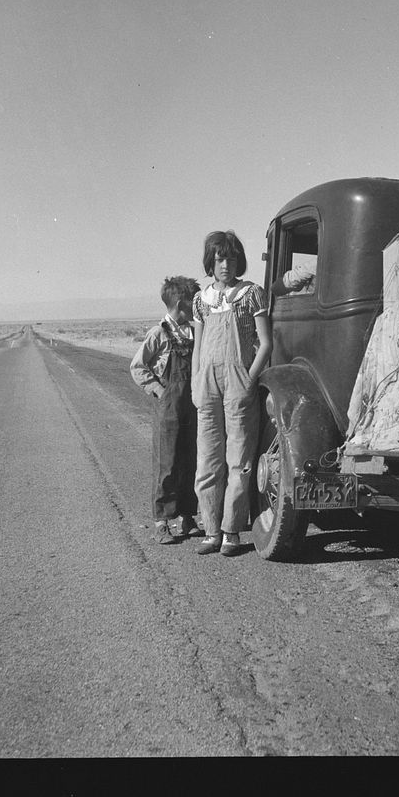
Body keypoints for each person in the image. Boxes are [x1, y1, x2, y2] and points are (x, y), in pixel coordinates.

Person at [191, 230, 273, 557]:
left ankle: (231, 531)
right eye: (220, 258)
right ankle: (210, 530)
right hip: (207, 383)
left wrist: (248, 381)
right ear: (211, 261)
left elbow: (266, 344)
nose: (226, 264)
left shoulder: (251, 293)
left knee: (238, 460)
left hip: (239, 379)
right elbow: (198, 346)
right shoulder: (201, 299)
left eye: (232, 258)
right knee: (208, 461)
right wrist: (198, 382)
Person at [129, 276, 203, 545]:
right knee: (166, 463)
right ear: (182, 303)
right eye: (193, 301)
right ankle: (161, 521)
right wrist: (160, 392)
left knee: (190, 460)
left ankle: (186, 516)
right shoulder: (158, 333)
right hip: (168, 407)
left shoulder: (194, 331)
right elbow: (138, 367)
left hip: (192, 406)